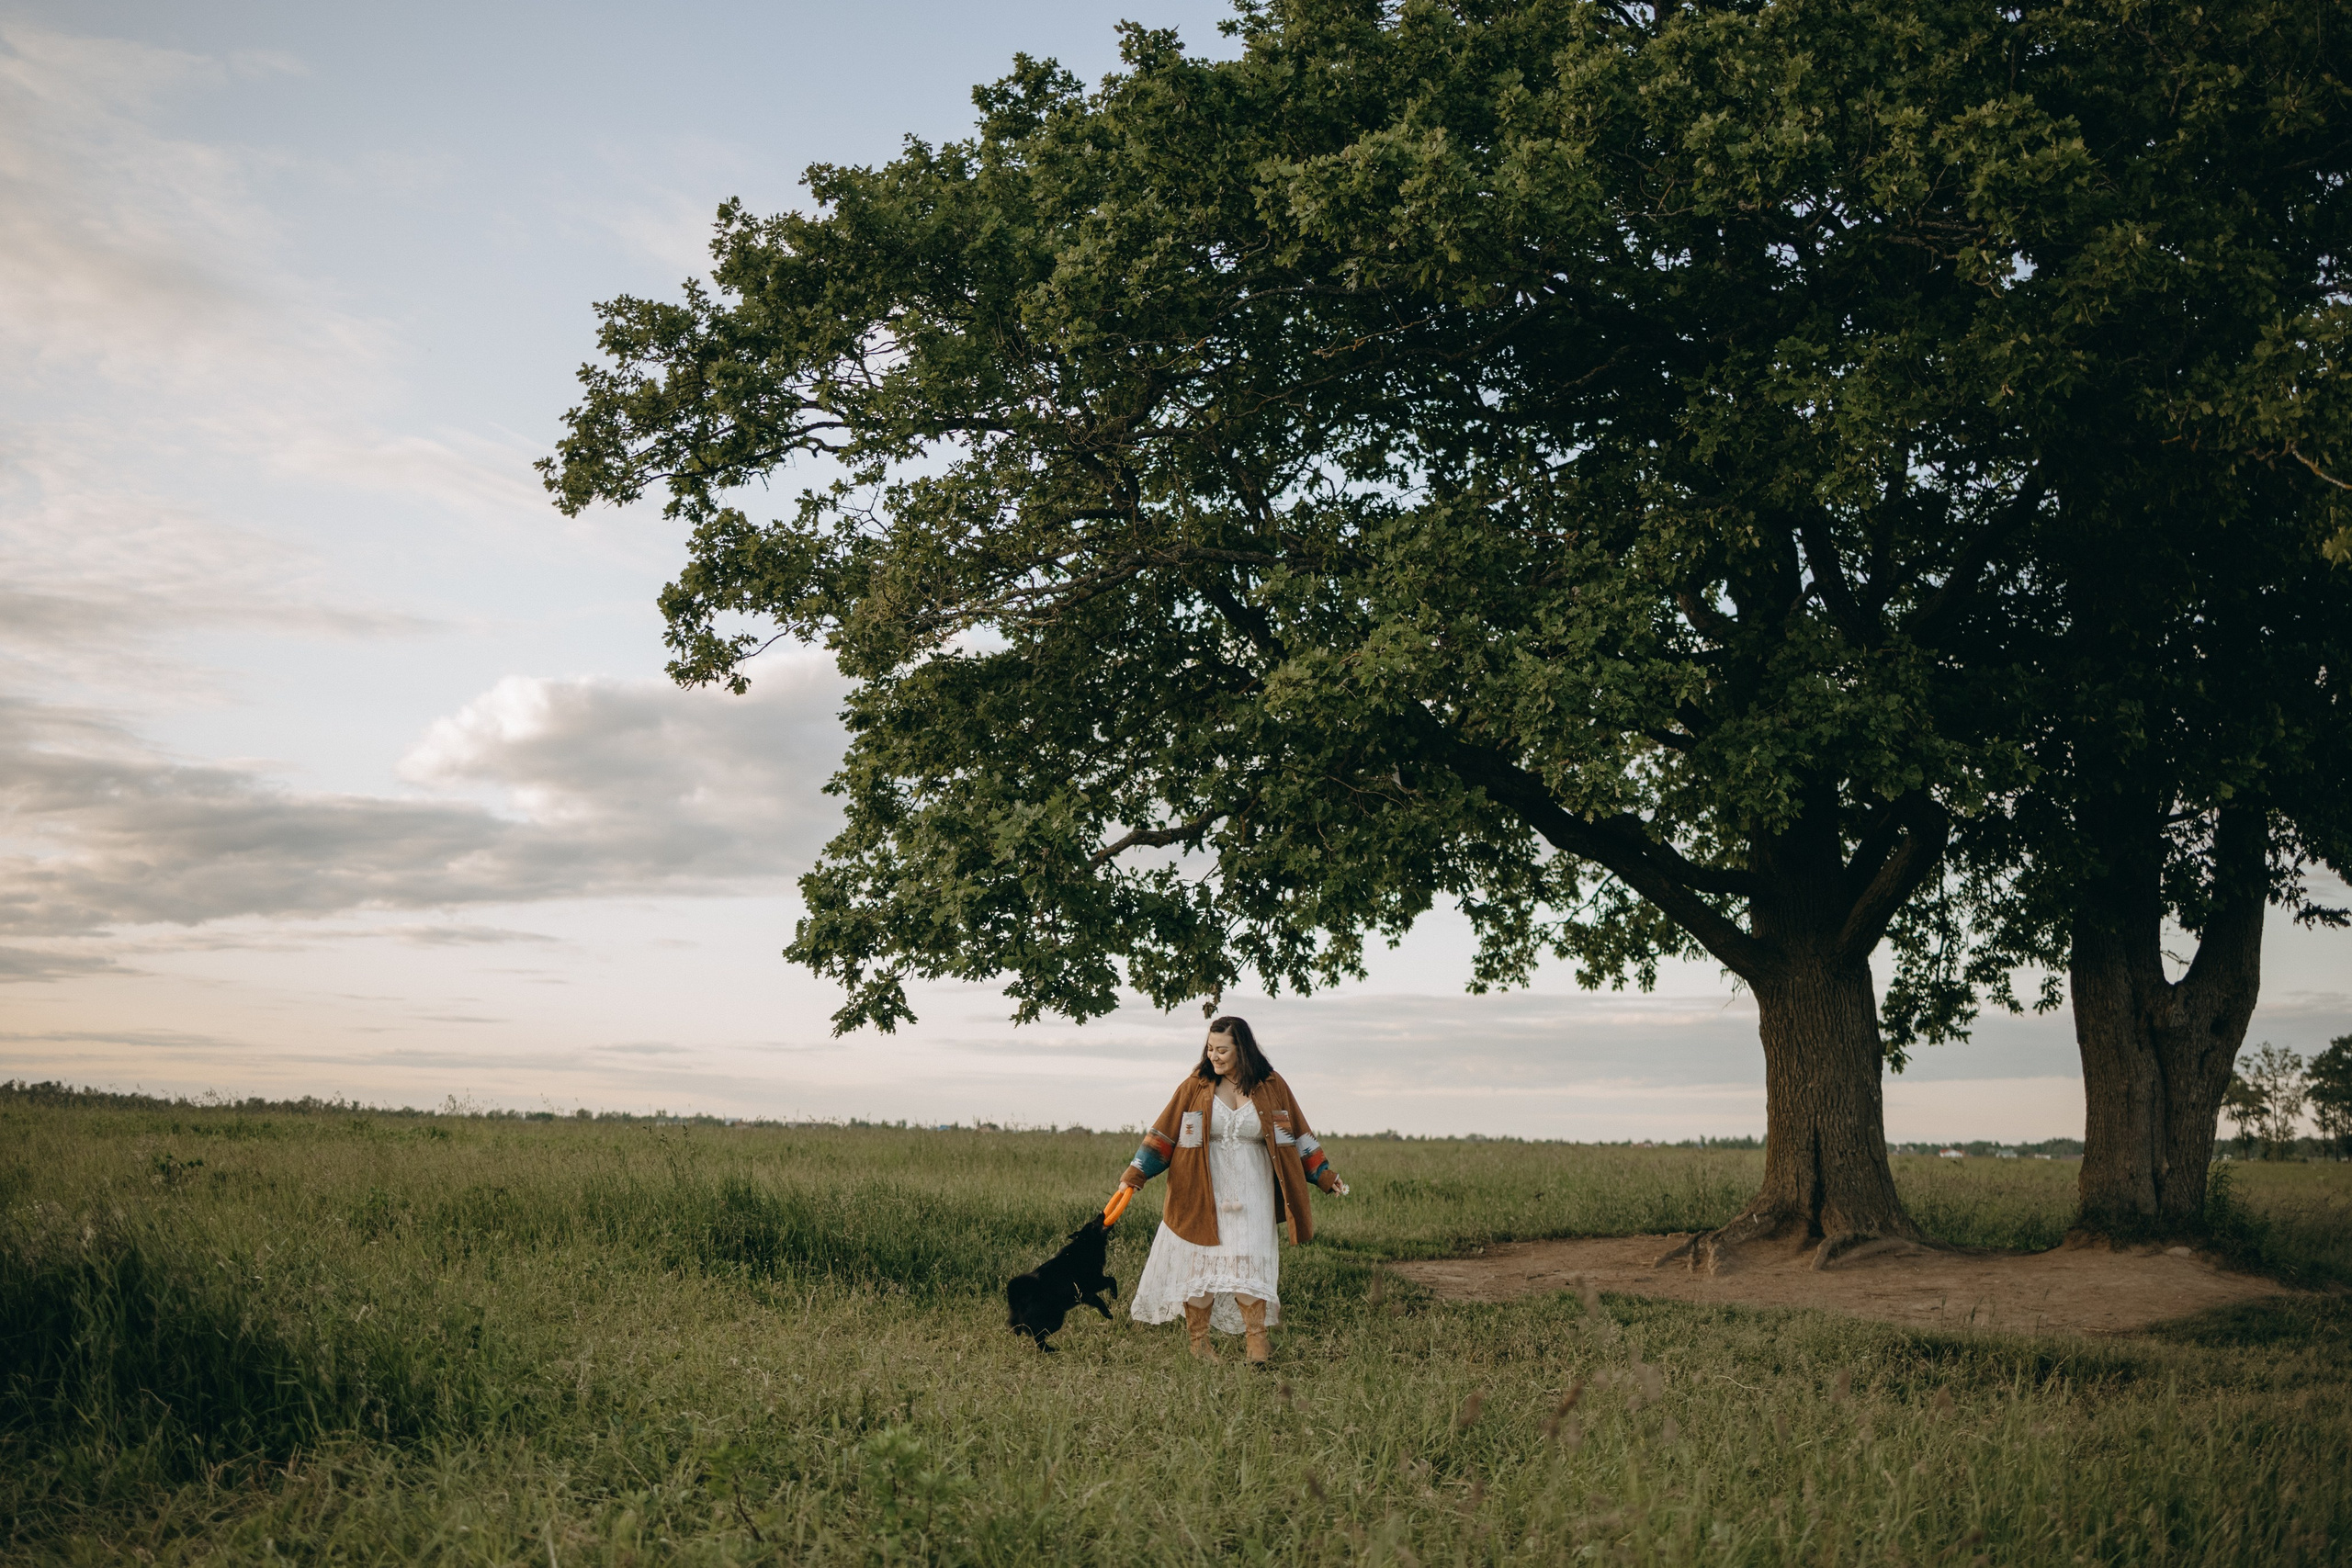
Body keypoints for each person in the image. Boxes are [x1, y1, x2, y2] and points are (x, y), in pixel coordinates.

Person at [1115, 1016, 1347, 1365]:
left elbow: (1297, 1134)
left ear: (1243, 1048)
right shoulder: (1196, 1086)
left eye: (1222, 1049)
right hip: (1202, 1188)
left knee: (1249, 1262)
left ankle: (1257, 1345)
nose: (1214, 1056)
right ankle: (1199, 1347)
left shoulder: (1271, 1085)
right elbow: (1164, 1134)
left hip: (1253, 1190)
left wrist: (1324, 1176)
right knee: (1201, 1267)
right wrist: (1135, 1174)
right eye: (1210, 1048)